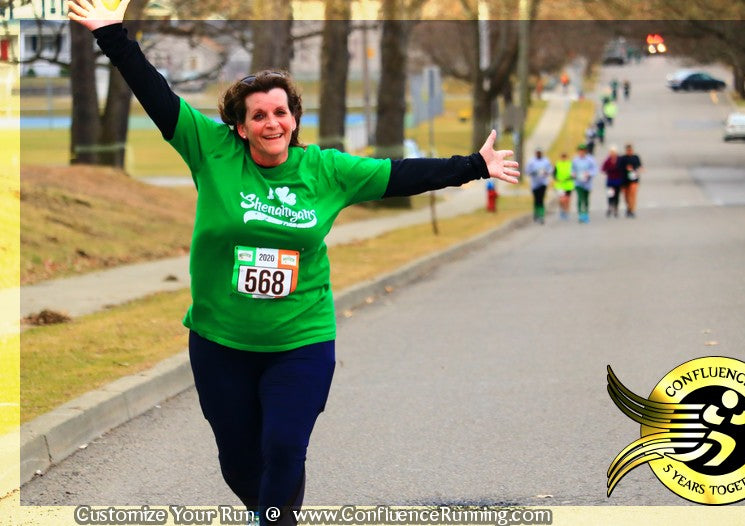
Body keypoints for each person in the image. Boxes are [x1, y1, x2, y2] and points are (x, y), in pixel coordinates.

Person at [67, 1, 520, 524]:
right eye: (257, 115)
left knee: (284, 446)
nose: (271, 122)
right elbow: (155, 93)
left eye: (280, 112)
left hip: (300, 340)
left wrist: (473, 166)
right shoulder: (209, 150)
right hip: (221, 342)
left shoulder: (326, 170)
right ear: (239, 126)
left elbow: (399, 174)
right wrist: (113, 37)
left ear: (295, 119)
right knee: (239, 462)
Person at [525, 146, 553, 224]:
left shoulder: (546, 161)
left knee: (541, 199)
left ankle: (541, 215)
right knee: (536, 199)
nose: (538, 154)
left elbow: (550, 169)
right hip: (534, 184)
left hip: (543, 183)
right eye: (537, 153)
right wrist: (533, 172)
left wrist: (546, 172)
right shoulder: (531, 161)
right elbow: (527, 171)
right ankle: (536, 213)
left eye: (540, 153)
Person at [571, 143, 597, 223]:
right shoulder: (575, 160)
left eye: (583, 151)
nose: (581, 152)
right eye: (580, 151)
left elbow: (594, 170)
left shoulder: (590, 160)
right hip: (578, 182)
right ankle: (580, 214)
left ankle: (585, 213)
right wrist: (573, 174)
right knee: (580, 198)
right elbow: (572, 170)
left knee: (586, 199)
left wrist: (589, 174)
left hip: (587, 182)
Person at [618, 143, 643, 218]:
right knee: (626, 196)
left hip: (634, 179)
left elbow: (640, 166)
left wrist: (639, 169)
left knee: (633, 194)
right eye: (628, 150)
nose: (629, 151)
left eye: (631, 150)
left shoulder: (636, 157)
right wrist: (626, 168)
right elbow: (619, 168)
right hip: (625, 179)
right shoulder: (623, 158)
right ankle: (628, 207)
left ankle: (632, 210)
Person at [600, 146, 624, 218]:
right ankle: (610, 206)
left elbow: (622, 169)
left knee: (616, 195)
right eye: (611, 152)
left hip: (618, 180)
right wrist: (607, 170)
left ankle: (616, 208)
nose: (612, 154)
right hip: (610, 181)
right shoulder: (608, 160)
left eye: (614, 152)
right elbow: (603, 169)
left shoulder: (620, 160)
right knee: (610, 195)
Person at [553, 152, 574, 220]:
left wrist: (571, 177)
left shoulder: (570, 164)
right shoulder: (558, 164)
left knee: (567, 200)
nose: (563, 158)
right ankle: (562, 210)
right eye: (562, 156)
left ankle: (566, 212)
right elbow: (554, 174)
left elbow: (573, 173)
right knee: (562, 200)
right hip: (560, 185)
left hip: (568, 185)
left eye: (565, 156)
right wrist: (557, 179)